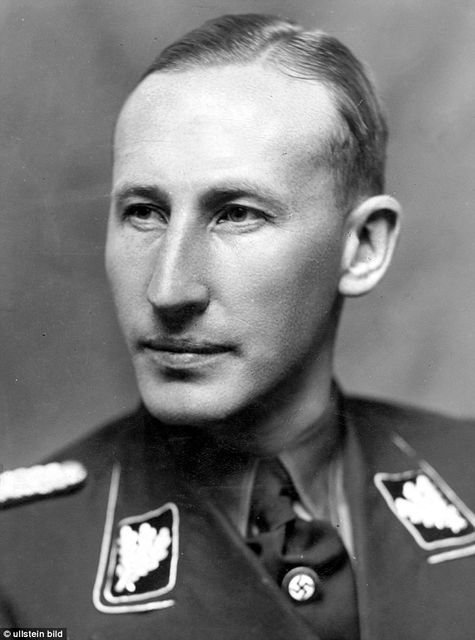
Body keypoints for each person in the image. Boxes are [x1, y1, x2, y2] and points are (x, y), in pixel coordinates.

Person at [1, 13, 475, 640]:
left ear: (362, 247)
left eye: (237, 214)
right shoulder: (18, 561)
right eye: (143, 212)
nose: (168, 289)